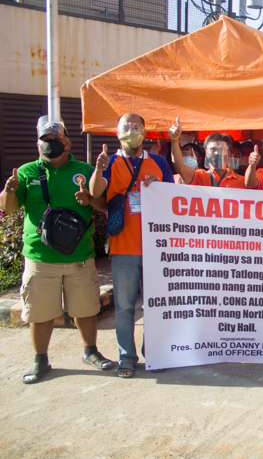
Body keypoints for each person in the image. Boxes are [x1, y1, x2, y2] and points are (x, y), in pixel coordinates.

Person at [0, 118, 114, 384]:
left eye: (55, 139)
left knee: (85, 308)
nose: (50, 144)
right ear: (38, 144)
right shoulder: (27, 172)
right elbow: (9, 208)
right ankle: (40, 360)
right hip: (40, 257)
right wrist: (9, 191)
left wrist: (89, 199)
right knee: (39, 313)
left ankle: (91, 351)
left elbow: (102, 204)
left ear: (67, 142)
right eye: (45, 140)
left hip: (79, 257)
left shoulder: (84, 170)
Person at [90, 113, 174, 378]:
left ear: (145, 132)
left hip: (155, 249)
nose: (132, 131)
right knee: (125, 307)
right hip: (123, 248)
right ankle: (126, 356)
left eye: (137, 127)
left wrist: (159, 186)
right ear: (117, 133)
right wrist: (97, 168)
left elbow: (173, 199)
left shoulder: (159, 162)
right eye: (126, 127)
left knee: (154, 306)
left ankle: (155, 353)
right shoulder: (110, 162)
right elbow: (95, 193)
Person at [168, 120, 245, 189]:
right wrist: (174, 140)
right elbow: (179, 167)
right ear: (206, 152)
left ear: (228, 152)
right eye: (212, 149)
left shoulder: (242, 182)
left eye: (221, 149)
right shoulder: (200, 176)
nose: (217, 153)